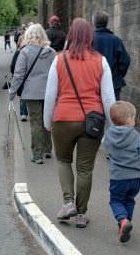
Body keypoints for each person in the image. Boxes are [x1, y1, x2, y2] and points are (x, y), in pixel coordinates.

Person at [44, 18, 115, 228]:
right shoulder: (100, 61)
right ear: (89, 36)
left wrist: (48, 122)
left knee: (63, 160)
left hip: (63, 119)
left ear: (70, 36)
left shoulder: (59, 60)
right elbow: (108, 97)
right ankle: (81, 214)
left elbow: (50, 95)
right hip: (91, 122)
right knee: (85, 169)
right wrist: (111, 126)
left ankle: (68, 203)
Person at [102, 101, 140, 243]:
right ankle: (125, 223)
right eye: (134, 118)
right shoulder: (136, 135)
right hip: (135, 176)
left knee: (116, 200)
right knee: (129, 199)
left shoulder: (108, 134)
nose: (134, 120)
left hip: (118, 176)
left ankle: (122, 220)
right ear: (128, 120)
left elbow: (105, 147)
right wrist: (135, 161)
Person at [9, 24, 55, 164]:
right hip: (49, 91)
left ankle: (37, 154)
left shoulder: (25, 52)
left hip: (32, 92)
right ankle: (47, 149)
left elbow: (18, 75)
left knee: (36, 122)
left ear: (28, 35)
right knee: (47, 120)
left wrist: (12, 92)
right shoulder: (51, 52)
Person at [93, 11, 130, 100]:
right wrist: (118, 75)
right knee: (112, 112)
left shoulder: (88, 40)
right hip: (113, 84)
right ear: (107, 23)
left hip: (93, 84)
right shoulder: (116, 40)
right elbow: (125, 61)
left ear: (94, 23)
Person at [10, 36, 28, 121]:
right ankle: (25, 112)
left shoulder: (18, 52)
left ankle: (23, 113)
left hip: (21, 76)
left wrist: (14, 75)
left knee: (23, 95)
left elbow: (12, 66)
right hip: (28, 77)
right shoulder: (30, 51)